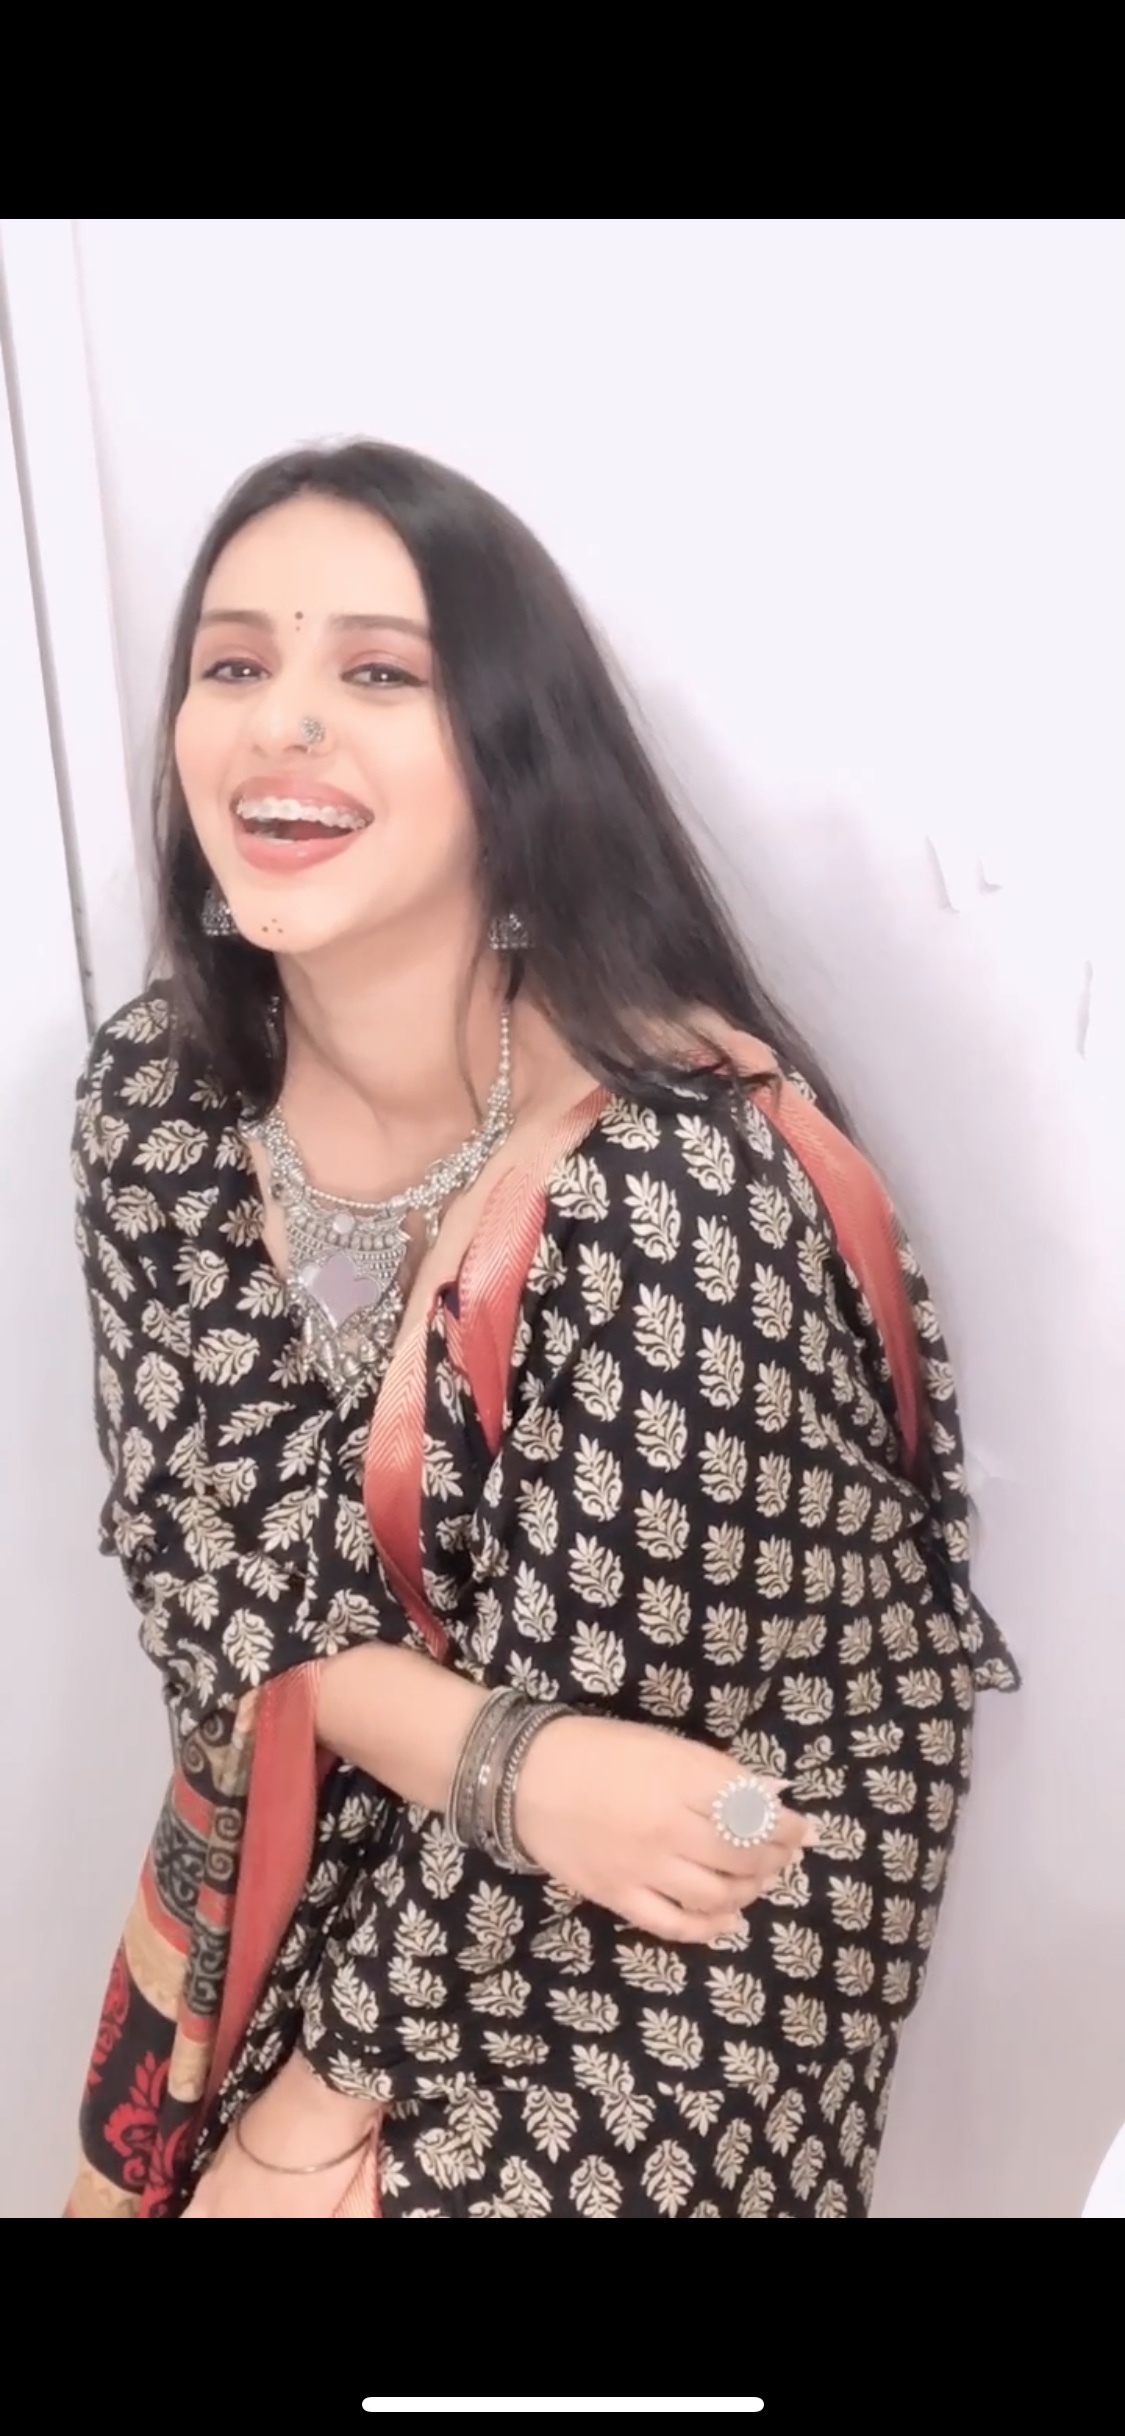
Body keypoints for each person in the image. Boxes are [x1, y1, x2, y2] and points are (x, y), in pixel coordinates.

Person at [66, 441, 1017, 2221]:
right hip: (383, 1830)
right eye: (233, 662)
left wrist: (308, 2116)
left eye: (377, 673)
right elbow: (199, 1558)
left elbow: (623, 1780)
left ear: (511, 757)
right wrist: (491, 1756)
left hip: (680, 1935)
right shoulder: (163, 1092)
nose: (283, 721)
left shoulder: (681, 1192)